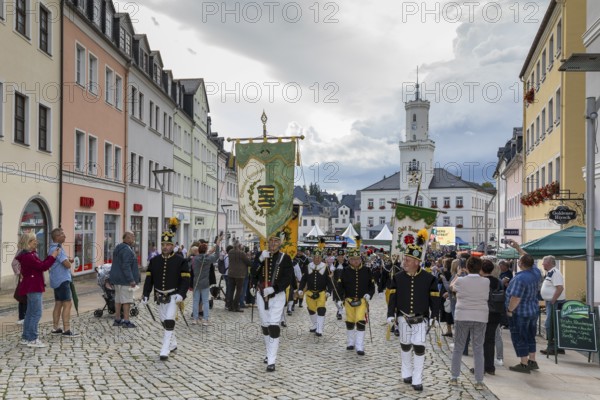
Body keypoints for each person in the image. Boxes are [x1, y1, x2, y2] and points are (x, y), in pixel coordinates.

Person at [386, 242, 439, 392]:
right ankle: (406, 373)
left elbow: (434, 298)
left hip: (421, 318)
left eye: (407, 260)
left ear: (417, 262)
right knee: (405, 345)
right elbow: (393, 298)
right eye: (404, 259)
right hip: (403, 317)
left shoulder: (429, 278)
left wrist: (435, 316)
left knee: (419, 346)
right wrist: (390, 315)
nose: (404, 263)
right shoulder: (397, 277)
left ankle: (417, 379)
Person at [142, 230, 190, 360]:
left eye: (168, 244)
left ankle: (165, 348)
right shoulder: (154, 261)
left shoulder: (181, 261)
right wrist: (145, 294)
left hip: (174, 295)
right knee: (164, 321)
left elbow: (186, 279)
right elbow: (149, 279)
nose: (165, 247)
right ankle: (173, 343)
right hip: (159, 296)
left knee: (169, 319)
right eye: (163, 244)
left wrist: (181, 294)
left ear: (173, 245)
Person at [253, 233, 294, 372]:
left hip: (276, 296)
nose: (273, 244)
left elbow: (288, 278)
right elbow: (252, 274)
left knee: (273, 325)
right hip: (261, 294)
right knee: (265, 325)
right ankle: (268, 351)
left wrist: (274, 288)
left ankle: (271, 360)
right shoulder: (261, 255)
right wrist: (259, 260)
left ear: (280, 243)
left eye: (276, 242)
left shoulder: (285, 258)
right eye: (271, 241)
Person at [448, 257, 489, 389]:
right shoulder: (486, 281)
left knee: (458, 347)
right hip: (480, 316)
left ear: (466, 267)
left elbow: (451, 287)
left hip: (463, 315)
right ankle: (479, 381)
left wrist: (458, 274)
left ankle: (454, 377)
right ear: (480, 267)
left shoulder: (460, 280)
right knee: (478, 349)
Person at [17, 232, 59, 347]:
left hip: (32, 285)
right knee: (36, 313)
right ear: (29, 242)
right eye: (34, 240)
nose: (36, 241)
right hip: (34, 286)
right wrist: (53, 256)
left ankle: (26, 337)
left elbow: (40, 265)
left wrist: (50, 258)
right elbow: (43, 267)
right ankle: (32, 339)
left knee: (30, 313)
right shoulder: (28, 256)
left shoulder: (30, 254)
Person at [505, 240, 541, 373]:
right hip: (533, 310)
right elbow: (528, 258)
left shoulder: (520, 279)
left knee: (520, 336)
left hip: (520, 312)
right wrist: (518, 248)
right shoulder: (536, 272)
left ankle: (523, 363)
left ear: (520, 264)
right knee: (531, 335)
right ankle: (532, 360)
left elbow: (515, 298)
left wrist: (509, 310)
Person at [337, 245, 375, 357]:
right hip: (348, 300)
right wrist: (339, 299)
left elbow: (372, 286)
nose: (355, 261)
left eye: (357, 259)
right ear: (349, 260)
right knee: (349, 321)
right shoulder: (345, 271)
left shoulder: (367, 271)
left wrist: (369, 294)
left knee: (360, 321)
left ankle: (360, 346)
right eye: (353, 259)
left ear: (360, 259)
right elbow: (340, 286)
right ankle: (350, 342)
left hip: (362, 300)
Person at [48, 228, 78, 337]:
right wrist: (69, 262)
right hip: (62, 279)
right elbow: (66, 264)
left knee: (58, 303)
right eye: (62, 234)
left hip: (56, 279)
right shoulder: (57, 248)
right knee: (67, 304)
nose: (65, 236)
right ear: (57, 237)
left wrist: (66, 259)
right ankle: (66, 329)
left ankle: (55, 328)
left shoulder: (52, 247)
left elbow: (61, 260)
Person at [298, 248, 334, 337]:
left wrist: (329, 291)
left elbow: (330, 282)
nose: (317, 259)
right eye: (315, 257)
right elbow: (304, 279)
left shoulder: (326, 267)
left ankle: (319, 329)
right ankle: (315, 325)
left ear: (321, 258)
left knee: (321, 309)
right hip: (310, 292)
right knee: (311, 309)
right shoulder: (308, 267)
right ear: (312, 258)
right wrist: (300, 289)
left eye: (319, 257)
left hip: (321, 292)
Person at [110, 231, 140, 328]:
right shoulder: (127, 250)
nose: (134, 238)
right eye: (132, 236)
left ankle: (117, 319)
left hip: (117, 279)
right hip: (124, 280)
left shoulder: (118, 248)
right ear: (127, 238)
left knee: (118, 300)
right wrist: (131, 280)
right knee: (126, 300)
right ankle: (126, 321)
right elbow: (126, 266)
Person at [191, 235, 222, 325]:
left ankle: (195, 319)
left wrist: (206, 252)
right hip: (205, 283)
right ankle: (205, 319)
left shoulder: (195, 258)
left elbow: (199, 256)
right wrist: (218, 244)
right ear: (205, 250)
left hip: (196, 282)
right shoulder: (208, 259)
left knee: (196, 301)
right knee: (205, 301)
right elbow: (216, 255)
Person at [539, 255, 566, 355]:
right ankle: (558, 346)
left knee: (550, 324)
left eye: (544, 262)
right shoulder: (550, 273)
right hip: (551, 302)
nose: (542, 264)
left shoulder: (555, 272)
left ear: (550, 263)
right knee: (554, 325)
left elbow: (560, 288)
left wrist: (553, 300)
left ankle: (552, 347)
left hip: (555, 302)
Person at [480, 259, 503, 375]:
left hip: (484, 312)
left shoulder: (482, 281)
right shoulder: (498, 282)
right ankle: (490, 367)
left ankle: (482, 366)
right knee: (490, 340)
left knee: (481, 340)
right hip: (496, 313)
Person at [226, 240, 251, 312]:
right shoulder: (241, 253)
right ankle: (235, 306)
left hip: (231, 273)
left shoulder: (230, 252)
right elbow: (248, 263)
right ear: (239, 246)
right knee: (239, 291)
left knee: (231, 290)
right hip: (240, 275)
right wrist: (248, 256)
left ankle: (230, 306)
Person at [331, 249, 347, 320]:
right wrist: (332, 269)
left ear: (344, 256)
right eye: (339, 256)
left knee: (342, 298)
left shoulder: (347, 264)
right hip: (335, 284)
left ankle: (340, 311)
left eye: (342, 256)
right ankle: (339, 309)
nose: (340, 258)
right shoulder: (335, 263)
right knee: (335, 299)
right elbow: (331, 272)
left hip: (344, 284)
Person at [12, 247, 26, 324]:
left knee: (24, 297)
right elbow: (14, 263)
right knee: (23, 297)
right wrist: (19, 273)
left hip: (30, 278)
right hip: (24, 277)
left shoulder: (31, 250)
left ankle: (23, 317)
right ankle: (22, 317)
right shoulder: (22, 250)